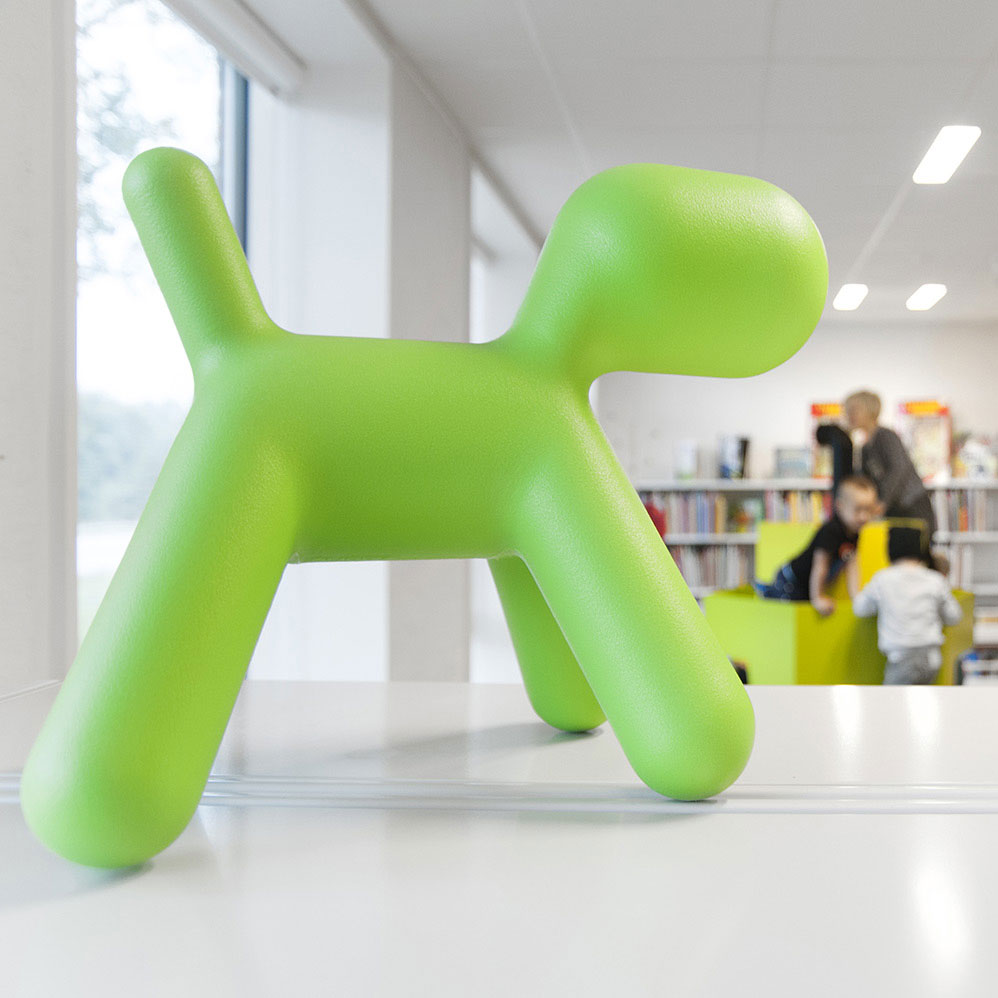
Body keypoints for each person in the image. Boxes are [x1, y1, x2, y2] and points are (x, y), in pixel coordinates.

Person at [852, 525, 962, 685]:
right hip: (931, 659)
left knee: (893, 700)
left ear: (890, 551)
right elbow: (954, 616)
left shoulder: (883, 579)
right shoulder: (935, 580)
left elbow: (860, 608)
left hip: (901, 657)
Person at [756, 474, 878, 616]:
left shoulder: (855, 532)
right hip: (791, 579)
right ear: (840, 506)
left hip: (806, 585)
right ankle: (766, 591)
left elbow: (852, 565)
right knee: (785, 610)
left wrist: (857, 598)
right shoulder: (831, 531)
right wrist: (818, 597)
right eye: (858, 510)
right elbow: (820, 566)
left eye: (869, 510)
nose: (864, 516)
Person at [843, 389, 936, 536]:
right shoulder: (865, 448)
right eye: (847, 410)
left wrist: (883, 501)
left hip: (911, 507)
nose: (849, 415)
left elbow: (899, 468)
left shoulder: (885, 436)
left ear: (869, 410)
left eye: (854, 410)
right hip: (895, 510)